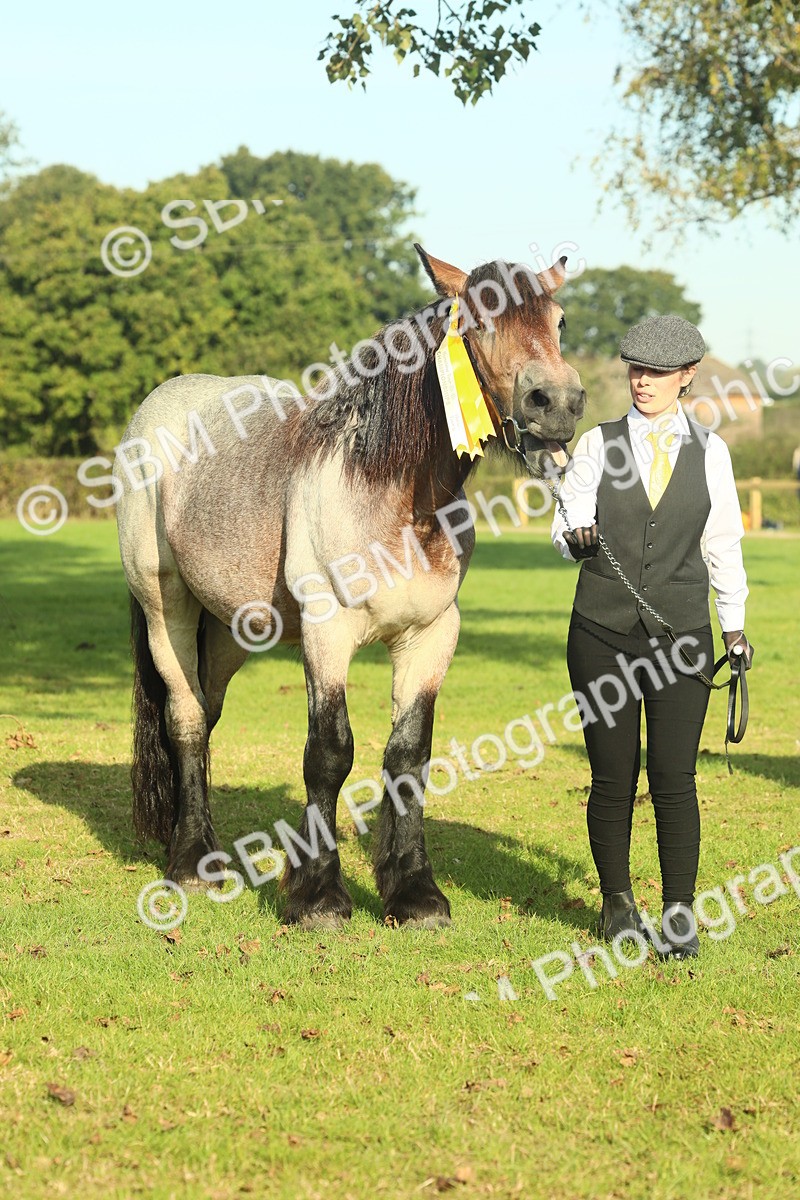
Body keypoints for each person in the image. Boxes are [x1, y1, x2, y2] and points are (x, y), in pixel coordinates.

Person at [551, 315, 753, 960]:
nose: (643, 382)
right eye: (635, 369)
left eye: (658, 372)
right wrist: (573, 538)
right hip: (602, 633)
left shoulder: (711, 452)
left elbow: (722, 545)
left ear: (686, 377)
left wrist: (736, 626)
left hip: (684, 634)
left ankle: (679, 912)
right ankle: (615, 902)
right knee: (613, 777)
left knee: (674, 778)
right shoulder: (596, 444)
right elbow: (569, 521)